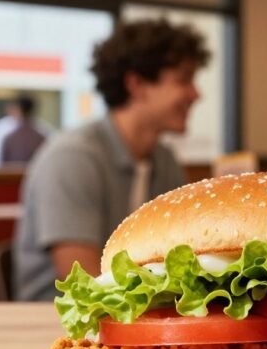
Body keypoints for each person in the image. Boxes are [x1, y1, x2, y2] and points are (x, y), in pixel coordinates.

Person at [13, 19, 209, 301]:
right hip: (53, 320)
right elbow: (85, 284)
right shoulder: (73, 158)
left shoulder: (165, 161)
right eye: (184, 79)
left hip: (139, 314)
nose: (196, 94)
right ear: (137, 84)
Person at [0, 96, 50, 170]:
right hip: (12, 173)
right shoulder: (43, 130)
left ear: (16, 108)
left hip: (10, 173)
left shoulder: (1, 129)